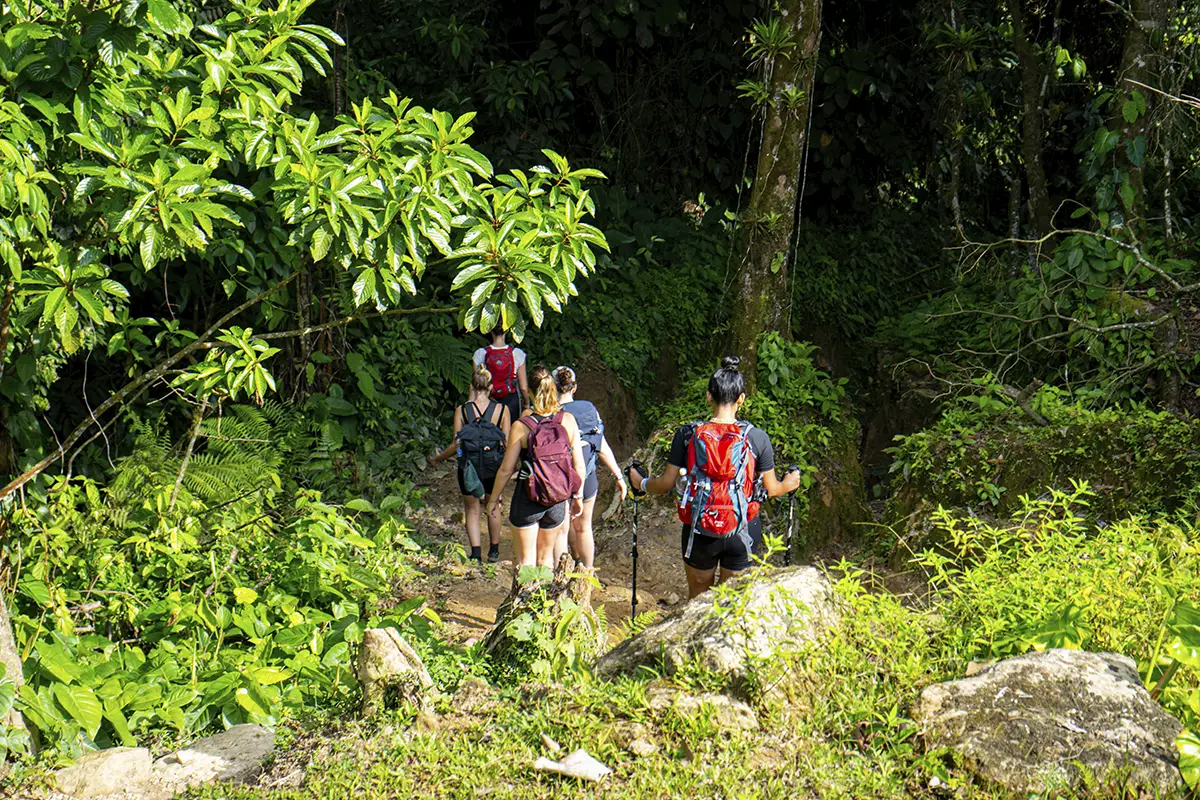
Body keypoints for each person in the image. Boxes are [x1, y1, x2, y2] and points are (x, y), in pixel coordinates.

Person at [628, 356, 801, 598]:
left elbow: (666, 484)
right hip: (743, 529)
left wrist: (641, 483)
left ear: (709, 396)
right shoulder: (757, 438)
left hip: (700, 529)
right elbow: (772, 489)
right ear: (741, 399)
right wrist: (790, 483)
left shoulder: (687, 435)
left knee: (698, 601)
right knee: (731, 603)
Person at [488, 366, 587, 568]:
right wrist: (578, 496)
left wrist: (493, 499)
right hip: (557, 499)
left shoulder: (521, 426)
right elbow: (579, 464)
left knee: (525, 562)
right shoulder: (568, 421)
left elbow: (506, 469)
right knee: (546, 560)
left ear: (531, 392)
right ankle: (546, 590)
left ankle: (527, 590)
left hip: (528, 498)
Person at [432, 365, 511, 562]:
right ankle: (494, 551)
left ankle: (475, 554)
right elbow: (507, 443)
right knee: (493, 506)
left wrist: (439, 458)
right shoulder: (502, 410)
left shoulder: (462, 410)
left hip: (469, 466)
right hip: (494, 465)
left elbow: (456, 443)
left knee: (472, 509)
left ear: (472, 387)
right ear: (491, 387)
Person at [552, 366, 628, 568]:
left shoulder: (551, 413)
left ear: (552, 387)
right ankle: (587, 574)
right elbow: (601, 445)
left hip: (561, 479)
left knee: (561, 529)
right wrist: (618, 476)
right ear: (574, 387)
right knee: (584, 527)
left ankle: (561, 576)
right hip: (587, 476)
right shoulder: (589, 409)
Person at [474, 328, 530, 424]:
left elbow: (475, 384)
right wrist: (526, 404)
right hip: (511, 401)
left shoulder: (480, 354)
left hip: (488, 400)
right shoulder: (517, 354)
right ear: (507, 330)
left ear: (490, 330)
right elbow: (523, 388)